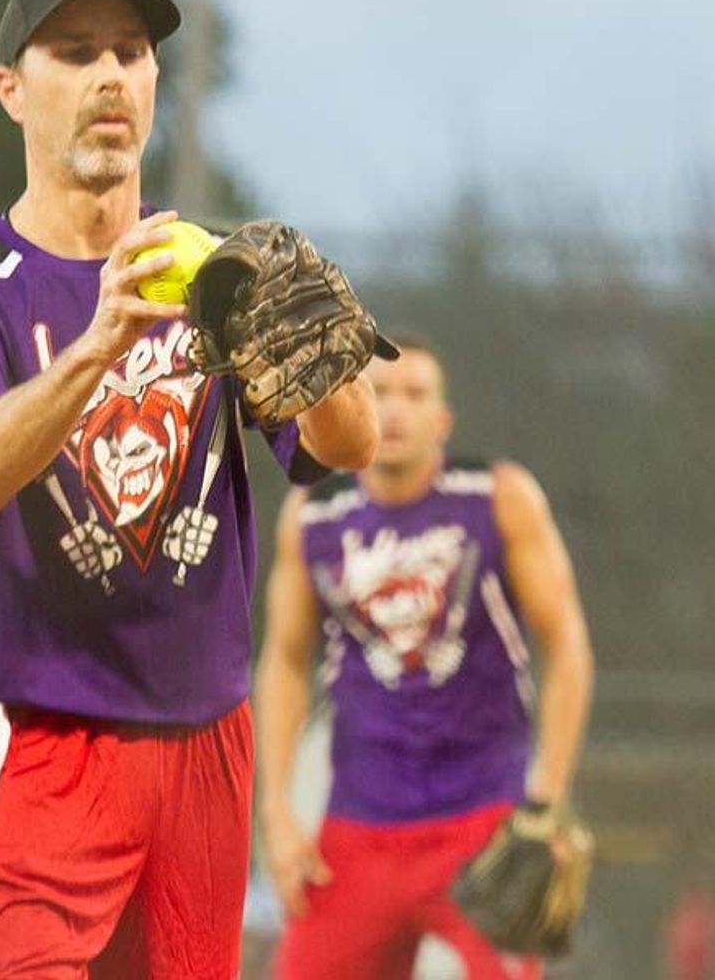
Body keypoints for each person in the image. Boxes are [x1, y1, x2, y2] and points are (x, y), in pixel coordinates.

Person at [0, 0, 379, 980]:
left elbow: (344, 448)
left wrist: (320, 360)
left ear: (153, 83)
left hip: (203, 744)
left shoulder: (214, 272)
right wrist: (99, 344)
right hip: (34, 738)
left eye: (130, 51)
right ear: (11, 90)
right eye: (74, 52)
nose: (110, 75)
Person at [255, 336, 594, 979]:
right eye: (380, 393)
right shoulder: (313, 516)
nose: (398, 411)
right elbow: (283, 661)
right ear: (353, 404)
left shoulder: (496, 497)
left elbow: (567, 644)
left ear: (443, 420)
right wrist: (275, 812)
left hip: (484, 823)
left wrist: (547, 800)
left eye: (416, 394)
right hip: (356, 827)